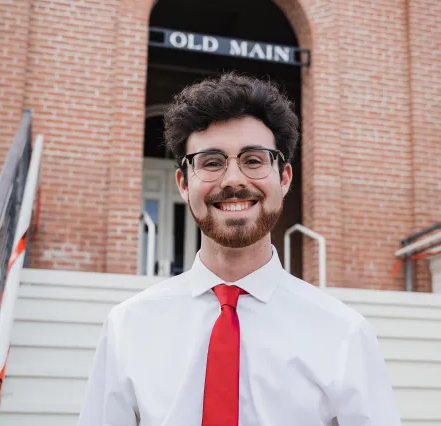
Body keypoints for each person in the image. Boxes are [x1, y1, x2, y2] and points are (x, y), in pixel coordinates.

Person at [77, 72, 402, 426]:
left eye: (253, 160)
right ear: (184, 183)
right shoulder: (129, 326)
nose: (234, 180)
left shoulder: (343, 333)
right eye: (212, 162)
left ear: (284, 177)